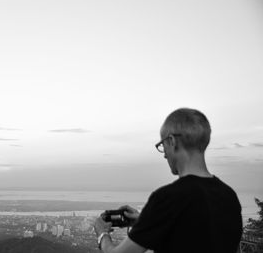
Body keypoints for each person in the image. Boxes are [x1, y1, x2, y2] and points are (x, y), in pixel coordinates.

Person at [93, 108, 243, 253]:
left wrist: (102, 234)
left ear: (172, 141)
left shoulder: (168, 197)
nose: (164, 155)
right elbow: (197, 234)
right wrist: (146, 221)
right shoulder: (229, 196)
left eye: (162, 146)